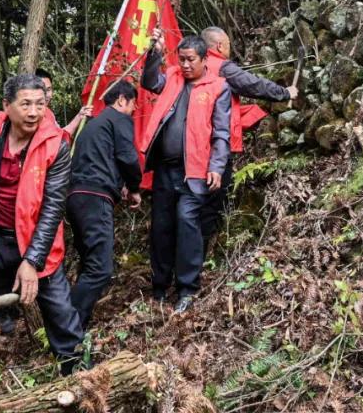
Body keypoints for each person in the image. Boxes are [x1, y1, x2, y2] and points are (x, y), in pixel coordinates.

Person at [0, 74, 85, 384]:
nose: (33, 112)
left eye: (40, 104)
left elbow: (54, 206)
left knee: (63, 320)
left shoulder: (56, 143)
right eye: (25, 104)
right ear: (7, 106)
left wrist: (32, 261)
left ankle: (81, 382)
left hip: (38, 244)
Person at [140, 34, 232, 313]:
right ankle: (159, 286)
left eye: (191, 59)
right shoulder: (172, 77)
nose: (185, 64)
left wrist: (217, 166)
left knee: (187, 222)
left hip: (195, 170)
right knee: (161, 226)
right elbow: (149, 82)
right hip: (166, 170)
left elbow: (221, 133)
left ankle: (187, 288)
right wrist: (154, 55)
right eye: (181, 59)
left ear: (205, 60)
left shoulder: (218, 87)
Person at [199, 26, 298, 249]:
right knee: (210, 202)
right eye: (228, 46)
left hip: (193, 147)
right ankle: (200, 256)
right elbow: (252, 84)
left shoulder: (192, 67)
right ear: (219, 46)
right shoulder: (222, 67)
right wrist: (284, 92)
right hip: (217, 145)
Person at [65, 80, 143, 329]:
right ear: (122, 100)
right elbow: (128, 157)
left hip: (76, 197)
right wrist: (134, 187)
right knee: (100, 269)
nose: (133, 111)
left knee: (90, 264)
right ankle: (68, 330)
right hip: (94, 197)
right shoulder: (117, 120)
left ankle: (76, 329)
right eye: (133, 105)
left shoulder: (94, 125)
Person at [36, 67, 91, 138]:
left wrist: (79, 116)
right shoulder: (29, 115)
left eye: (49, 89)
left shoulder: (49, 113)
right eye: (42, 90)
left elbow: (60, 136)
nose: (47, 95)